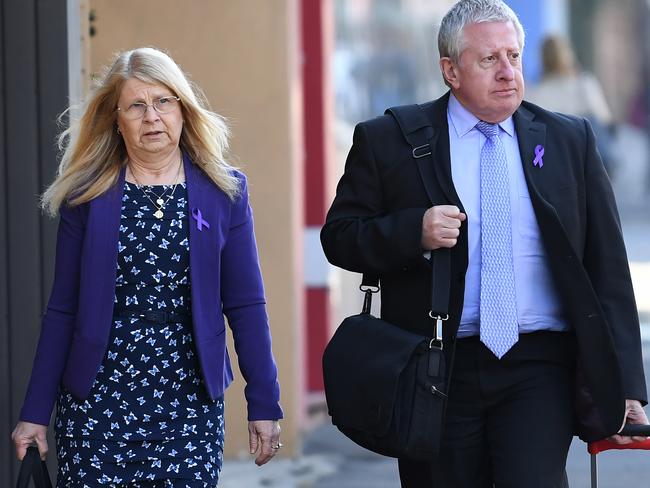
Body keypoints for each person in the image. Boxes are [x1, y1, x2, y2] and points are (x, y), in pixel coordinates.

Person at [320, 1, 648, 487]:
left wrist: (626, 386)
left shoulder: (566, 139)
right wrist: (414, 232)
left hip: (539, 365)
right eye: (489, 59)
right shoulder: (391, 140)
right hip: (437, 367)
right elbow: (340, 237)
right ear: (450, 70)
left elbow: (607, 267)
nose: (507, 72)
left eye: (513, 56)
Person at [11, 47, 283, 487]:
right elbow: (63, 309)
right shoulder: (87, 195)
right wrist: (34, 413)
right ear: (116, 119)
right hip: (97, 403)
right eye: (136, 105)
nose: (151, 116)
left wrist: (265, 402)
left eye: (163, 101)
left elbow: (246, 303)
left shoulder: (223, 190)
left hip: (188, 402)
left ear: (183, 108)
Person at [527, 34, 619, 175]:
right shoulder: (585, 85)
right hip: (589, 164)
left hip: (555, 168)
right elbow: (605, 121)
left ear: (542, 59)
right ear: (568, 55)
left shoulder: (534, 94)